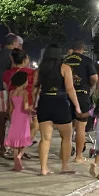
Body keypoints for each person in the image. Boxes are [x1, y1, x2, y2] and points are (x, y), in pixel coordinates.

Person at [34, 44, 82, 175]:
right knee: (66, 136)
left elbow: (35, 88)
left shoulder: (40, 70)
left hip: (44, 103)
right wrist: (77, 106)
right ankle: (64, 166)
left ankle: (43, 168)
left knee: (45, 138)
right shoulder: (65, 67)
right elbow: (70, 88)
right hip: (60, 103)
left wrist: (33, 104)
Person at [63, 39, 98, 163]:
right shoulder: (87, 61)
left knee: (67, 127)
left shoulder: (64, 61)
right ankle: (78, 156)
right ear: (83, 49)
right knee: (80, 127)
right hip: (82, 95)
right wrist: (89, 86)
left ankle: (65, 153)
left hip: (65, 96)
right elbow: (94, 78)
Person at [3, 48, 37, 158]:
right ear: (24, 59)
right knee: (32, 128)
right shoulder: (31, 73)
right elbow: (36, 88)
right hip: (28, 106)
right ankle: (21, 150)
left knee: (16, 130)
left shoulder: (7, 73)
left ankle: (14, 150)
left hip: (13, 106)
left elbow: (5, 88)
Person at [0, 33, 22, 157]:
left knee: (1, 118)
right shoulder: (12, 55)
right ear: (14, 42)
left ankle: (2, 146)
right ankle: (16, 147)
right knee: (14, 118)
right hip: (11, 89)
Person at [4, 71, 33, 172]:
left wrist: (11, 118)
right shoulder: (25, 93)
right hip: (23, 117)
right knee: (25, 139)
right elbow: (25, 107)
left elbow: (11, 108)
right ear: (24, 82)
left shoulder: (12, 92)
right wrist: (33, 111)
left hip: (15, 117)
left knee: (16, 140)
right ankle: (20, 156)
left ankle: (16, 162)